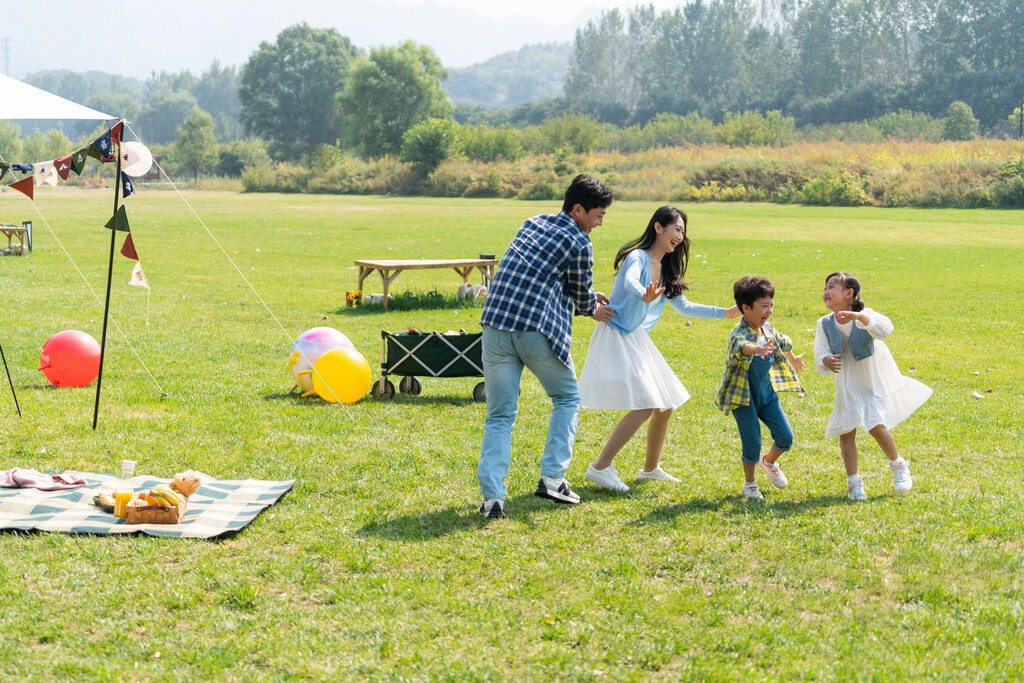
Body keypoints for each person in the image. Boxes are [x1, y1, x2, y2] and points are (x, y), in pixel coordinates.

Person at [477, 174, 615, 518]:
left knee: (500, 415)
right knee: (567, 398)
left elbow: (541, 272)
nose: (599, 223)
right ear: (579, 209)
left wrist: (583, 295)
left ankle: (492, 499)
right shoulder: (580, 242)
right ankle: (553, 479)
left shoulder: (533, 222)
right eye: (597, 215)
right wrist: (593, 308)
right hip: (535, 330)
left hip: (494, 325)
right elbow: (582, 296)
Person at [577, 206, 739, 492]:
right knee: (646, 403)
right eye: (676, 229)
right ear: (658, 227)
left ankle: (650, 469)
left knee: (665, 403)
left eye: (683, 232)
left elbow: (685, 306)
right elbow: (629, 283)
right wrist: (643, 293)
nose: (680, 236)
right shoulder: (637, 257)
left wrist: (725, 313)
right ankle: (600, 467)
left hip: (635, 337)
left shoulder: (665, 269)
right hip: (617, 334)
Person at [813, 272, 932, 501]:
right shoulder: (824, 323)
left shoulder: (866, 315)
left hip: (869, 381)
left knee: (876, 424)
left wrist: (862, 318)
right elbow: (821, 350)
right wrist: (825, 360)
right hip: (846, 383)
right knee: (846, 432)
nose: (826, 292)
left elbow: (885, 329)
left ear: (849, 294)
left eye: (832, 287)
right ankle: (854, 484)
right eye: (825, 287)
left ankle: (898, 466)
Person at [715, 275, 805, 500]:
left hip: (766, 396)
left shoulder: (769, 330)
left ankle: (769, 462)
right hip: (744, 398)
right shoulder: (739, 333)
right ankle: (749, 483)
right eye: (764, 306)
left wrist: (793, 359)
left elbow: (782, 342)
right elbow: (740, 346)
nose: (770, 310)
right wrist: (755, 349)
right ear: (745, 308)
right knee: (752, 443)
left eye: (771, 305)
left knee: (786, 437)